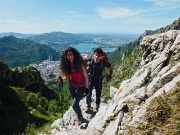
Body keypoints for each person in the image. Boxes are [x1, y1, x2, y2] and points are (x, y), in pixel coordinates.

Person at [58, 47, 88, 125]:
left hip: (81, 87)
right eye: (68, 55)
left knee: (74, 105)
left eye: (71, 54)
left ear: (74, 55)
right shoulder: (67, 66)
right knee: (76, 103)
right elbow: (66, 77)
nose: (70, 57)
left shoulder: (80, 64)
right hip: (72, 87)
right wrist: (61, 79)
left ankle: (80, 116)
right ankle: (79, 114)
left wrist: (87, 88)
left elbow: (85, 76)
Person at [86, 48, 113, 112]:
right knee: (88, 94)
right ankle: (88, 106)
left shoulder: (103, 62)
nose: (97, 57)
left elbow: (111, 68)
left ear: (101, 56)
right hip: (90, 79)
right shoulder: (90, 60)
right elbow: (84, 59)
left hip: (99, 80)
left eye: (98, 55)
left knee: (98, 95)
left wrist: (110, 76)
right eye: (95, 54)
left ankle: (97, 106)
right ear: (94, 54)